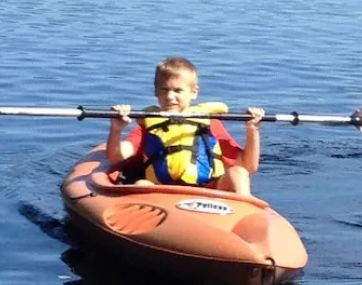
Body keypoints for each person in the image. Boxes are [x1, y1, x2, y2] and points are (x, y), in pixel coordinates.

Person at [106, 56, 263, 196]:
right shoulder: (149, 123)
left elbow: (249, 166)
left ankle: (244, 218)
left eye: (178, 91)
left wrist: (252, 130)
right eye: (164, 90)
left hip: (208, 190)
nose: (170, 97)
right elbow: (116, 156)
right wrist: (116, 130)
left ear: (194, 92)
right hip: (163, 190)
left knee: (239, 173)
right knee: (141, 185)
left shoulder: (209, 123)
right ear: (156, 92)